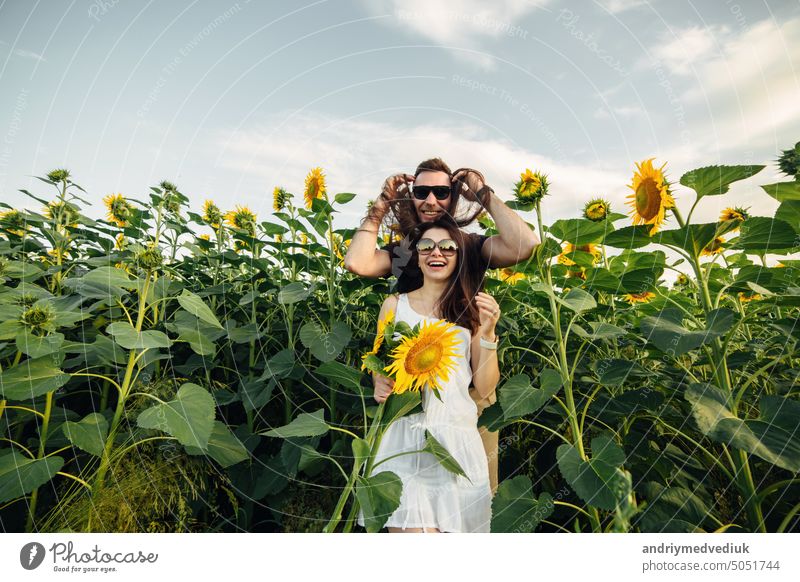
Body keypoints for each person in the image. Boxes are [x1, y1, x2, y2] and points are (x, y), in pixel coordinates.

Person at [344, 158, 538, 494]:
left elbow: (526, 245)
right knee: (410, 492)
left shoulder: (472, 246)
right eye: (421, 191)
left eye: (441, 191)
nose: (430, 200)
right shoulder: (403, 250)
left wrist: (482, 192)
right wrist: (379, 208)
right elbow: (357, 262)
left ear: (453, 196)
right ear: (411, 196)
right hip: (411, 392)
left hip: (468, 384)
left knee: (472, 492)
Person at [356, 220, 501, 532]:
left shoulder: (471, 311)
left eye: (448, 247)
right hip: (402, 440)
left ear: (460, 256)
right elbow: (378, 363)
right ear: (417, 256)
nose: (437, 252)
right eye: (427, 246)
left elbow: (486, 385)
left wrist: (488, 333)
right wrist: (378, 382)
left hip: (455, 441)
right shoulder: (394, 305)